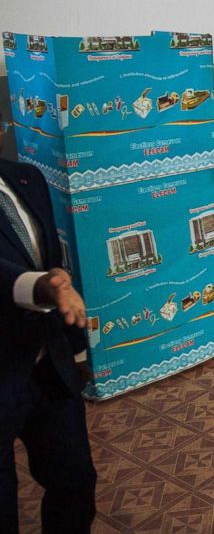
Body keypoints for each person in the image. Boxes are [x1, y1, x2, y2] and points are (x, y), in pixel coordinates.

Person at [0, 115, 96, 532]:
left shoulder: (26, 178)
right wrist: (42, 287)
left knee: (75, 482)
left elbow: (56, 269)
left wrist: (76, 350)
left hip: (47, 368)